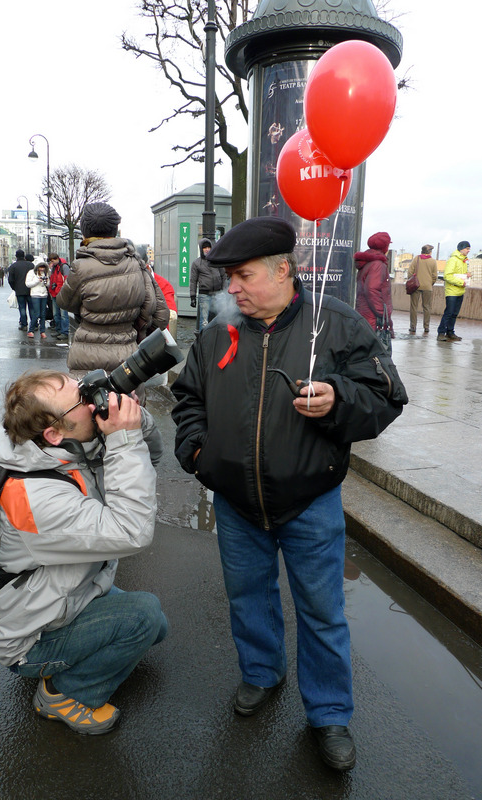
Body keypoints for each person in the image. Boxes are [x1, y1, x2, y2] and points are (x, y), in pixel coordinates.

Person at [171, 217, 408, 772]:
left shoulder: (339, 325)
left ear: (284, 271)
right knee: (248, 600)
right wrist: (199, 455)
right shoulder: (217, 335)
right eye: (229, 277)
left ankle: (328, 713)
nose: (232, 288)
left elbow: (386, 396)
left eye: (243, 276)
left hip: (310, 502)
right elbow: (187, 401)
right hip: (235, 504)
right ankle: (261, 673)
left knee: (322, 613)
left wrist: (338, 401)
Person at [0, 368, 167, 734]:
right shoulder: (34, 497)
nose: (92, 396)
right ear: (53, 432)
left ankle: (71, 661)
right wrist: (124, 440)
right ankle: (64, 694)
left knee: (157, 626)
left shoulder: (55, 449)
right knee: (144, 616)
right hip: (30, 637)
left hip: (61, 597)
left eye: (82, 385)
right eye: (81, 398)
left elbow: (150, 460)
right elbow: (132, 531)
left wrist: (135, 420)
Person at [56, 202, 169, 389]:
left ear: (84, 233)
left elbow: (64, 302)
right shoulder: (137, 264)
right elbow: (160, 316)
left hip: (87, 357)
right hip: (128, 358)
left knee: (88, 410)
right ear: (116, 230)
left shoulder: (81, 267)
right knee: (129, 412)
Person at [354, 231, 394, 354]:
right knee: (376, 353)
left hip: (364, 312)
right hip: (373, 317)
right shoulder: (378, 265)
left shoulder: (368, 263)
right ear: (385, 247)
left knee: (365, 349)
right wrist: (383, 313)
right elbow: (371, 289)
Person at [437, 241, 472, 342]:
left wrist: (467, 275)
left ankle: (450, 332)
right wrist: (461, 282)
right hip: (452, 291)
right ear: (461, 249)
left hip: (460, 291)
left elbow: (460, 274)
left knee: (454, 313)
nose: (469, 250)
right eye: (467, 248)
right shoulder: (453, 260)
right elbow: (447, 276)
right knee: (449, 312)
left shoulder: (464, 261)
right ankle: (441, 333)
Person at [190, 238, 227, 330]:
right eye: (204, 248)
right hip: (204, 295)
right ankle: (204, 341)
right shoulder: (196, 263)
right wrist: (193, 296)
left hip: (218, 293)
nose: (207, 249)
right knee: (204, 321)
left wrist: (224, 290)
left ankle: (218, 338)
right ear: (201, 249)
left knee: (221, 318)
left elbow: (224, 276)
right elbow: (193, 280)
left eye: (208, 247)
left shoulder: (216, 260)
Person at [408, 244, 438, 334]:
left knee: (414, 307)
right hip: (427, 287)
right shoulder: (433, 261)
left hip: (416, 286)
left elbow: (410, 272)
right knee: (427, 307)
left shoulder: (416, 259)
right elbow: (435, 276)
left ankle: (413, 326)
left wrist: (412, 281)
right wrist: (430, 283)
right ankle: (426, 327)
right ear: (429, 252)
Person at [8, 249, 33, 331]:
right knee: (32, 308)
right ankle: (34, 324)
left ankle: (24, 324)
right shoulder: (31, 265)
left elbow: (10, 280)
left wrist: (14, 288)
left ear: (16, 256)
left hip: (19, 290)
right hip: (30, 290)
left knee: (22, 308)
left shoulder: (13, 266)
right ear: (24, 255)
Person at [47, 253, 70, 341]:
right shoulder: (55, 267)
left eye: (53, 261)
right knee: (56, 314)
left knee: (63, 314)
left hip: (61, 293)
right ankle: (59, 330)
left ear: (57, 259)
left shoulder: (64, 267)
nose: (52, 263)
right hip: (55, 292)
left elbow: (67, 280)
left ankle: (64, 332)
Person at [25, 261, 49, 339]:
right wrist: (37, 280)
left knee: (43, 314)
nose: (42, 269)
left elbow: (48, 284)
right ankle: (31, 330)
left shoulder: (45, 273)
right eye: (40, 267)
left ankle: (42, 331)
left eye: (43, 267)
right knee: (37, 313)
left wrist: (46, 282)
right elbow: (28, 284)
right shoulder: (31, 272)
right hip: (35, 294)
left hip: (44, 294)